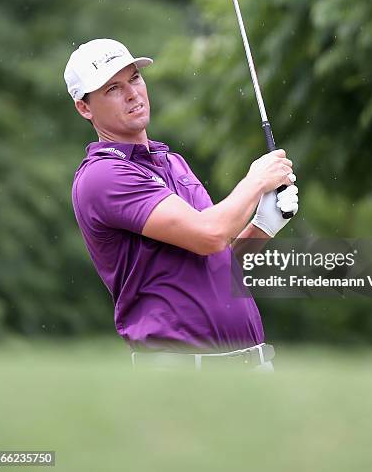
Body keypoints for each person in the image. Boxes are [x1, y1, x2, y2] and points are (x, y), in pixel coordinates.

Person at [64, 38, 299, 371]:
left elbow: (216, 266)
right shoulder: (103, 176)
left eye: (134, 78)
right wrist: (257, 180)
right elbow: (210, 234)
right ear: (85, 108)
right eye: (113, 89)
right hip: (184, 371)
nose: (132, 93)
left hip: (249, 364)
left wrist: (263, 226)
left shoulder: (171, 162)